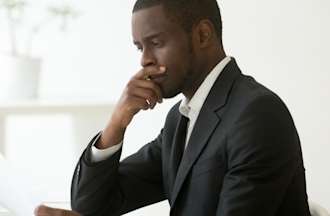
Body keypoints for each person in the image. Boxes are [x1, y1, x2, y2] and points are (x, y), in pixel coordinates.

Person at [35, 0, 311, 215]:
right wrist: (117, 123)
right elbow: (92, 205)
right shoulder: (179, 121)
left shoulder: (256, 115)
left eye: (155, 43)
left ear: (203, 35)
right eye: (139, 48)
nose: (145, 60)